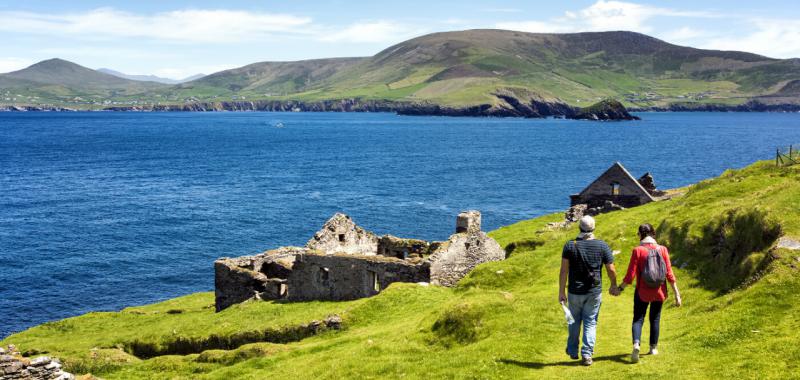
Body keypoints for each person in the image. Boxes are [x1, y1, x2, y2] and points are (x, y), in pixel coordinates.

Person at [617, 223, 682, 363]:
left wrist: (620, 289)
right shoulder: (663, 249)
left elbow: (630, 276)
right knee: (655, 318)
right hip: (659, 292)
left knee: (638, 319)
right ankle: (653, 348)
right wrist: (677, 294)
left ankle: (636, 344)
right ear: (653, 234)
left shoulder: (638, 250)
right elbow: (669, 273)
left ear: (640, 234)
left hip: (642, 292)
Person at [559, 215, 618, 366]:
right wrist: (613, 285)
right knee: (590, 322)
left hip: (574, 291)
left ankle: (572, 351)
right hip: (594, 291)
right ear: (594, 228)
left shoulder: (570, 245)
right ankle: (587, 354)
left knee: (574, 321)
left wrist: (561, 292)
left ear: (579, 227)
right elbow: (611, 269)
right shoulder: (602, 245)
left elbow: (564, 271)